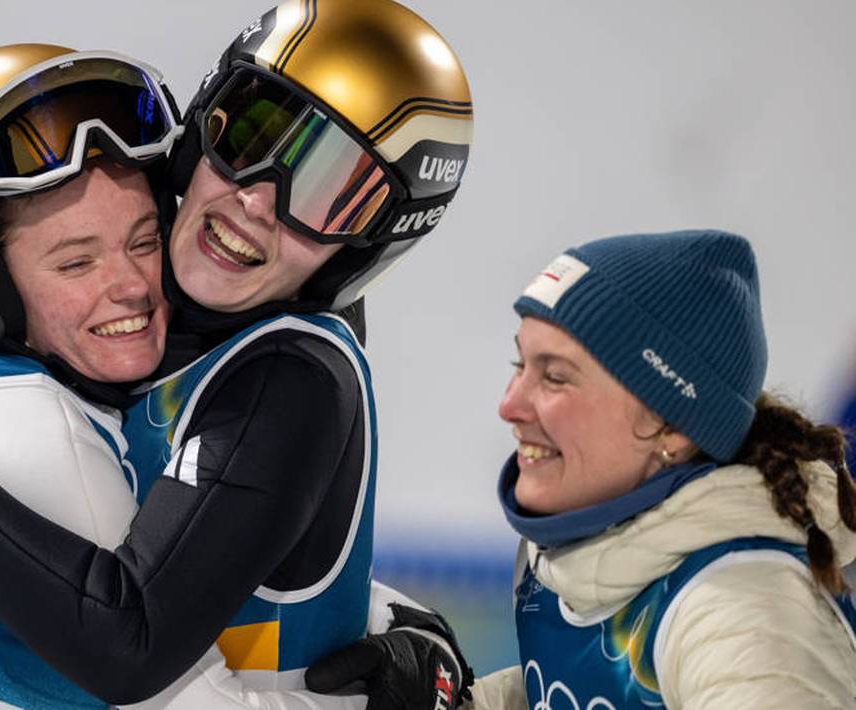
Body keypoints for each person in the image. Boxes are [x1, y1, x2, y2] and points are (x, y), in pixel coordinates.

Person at [0, 0, 475, 708]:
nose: (257, 200)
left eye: (328, 192)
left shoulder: (284, 370)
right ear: (203, 125)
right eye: (248, 141)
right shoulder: (83, 362)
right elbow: (193, 567)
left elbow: (140, 628)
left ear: (364, 244)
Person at [305, 229, 856, 709]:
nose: (509, 405)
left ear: (673, 425)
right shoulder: (574, 558)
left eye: (555, 377)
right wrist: (449, 697)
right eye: (521, 363)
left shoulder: (746, 618)